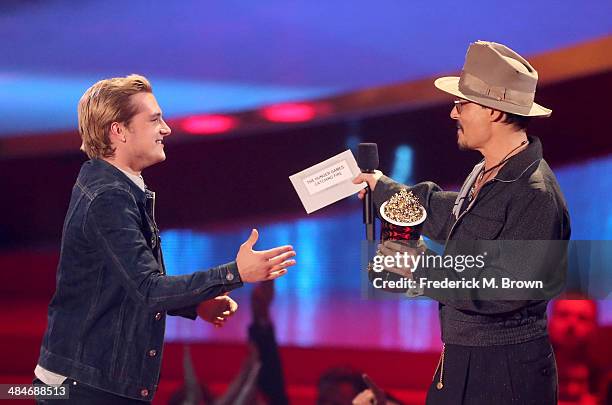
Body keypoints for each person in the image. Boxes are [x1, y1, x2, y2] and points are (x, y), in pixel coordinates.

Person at [33, 74, 297, 404]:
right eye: (155, 119)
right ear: (119, 131)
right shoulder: (108, 197)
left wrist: (194, 303)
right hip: (83, 386)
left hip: (90, 380)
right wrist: (235, 273)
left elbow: (128, 281)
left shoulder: (115, 186)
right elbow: (147, 288)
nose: (166, 129)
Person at [353, 41, 570, 404]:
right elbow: (448, 214)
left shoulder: (536, 193)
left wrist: (420, 269)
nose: (454, 114)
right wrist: (382, 189)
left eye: (462, 105)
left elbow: (505, 288)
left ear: (494, 112)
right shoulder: (491, 171)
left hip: (504, 373)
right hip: (463, 360)